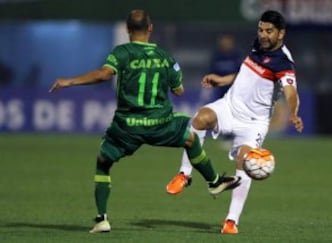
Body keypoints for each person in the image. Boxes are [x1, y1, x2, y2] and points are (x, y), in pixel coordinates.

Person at [49, 9, 240, 233]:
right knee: (190, 135)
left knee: (103, 162)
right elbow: (179, 91)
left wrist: (69, 82)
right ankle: (214, 181)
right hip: (160, 124)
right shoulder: (165, 57)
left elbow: (103, 74)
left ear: (128, 30)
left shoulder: (121, 52)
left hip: (127, 127)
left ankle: (102, 219)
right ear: (150, 29)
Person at [166, 10, 304, 234]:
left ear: (281, 34)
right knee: (200, 118)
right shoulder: (257, 46)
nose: (263, 35)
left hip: (254, 122)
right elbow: (245, 71)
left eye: (269, 31)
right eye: (261, 30)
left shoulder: (283, 63)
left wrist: (294, 113)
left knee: (245, 161)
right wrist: (222, 79)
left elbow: (291, 92)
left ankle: (231, 221)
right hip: (230, 106)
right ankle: (184, 173)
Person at [208, 33, 243, 102]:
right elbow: (211, 72)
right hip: (219, 90)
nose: (225, 44)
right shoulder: (217, 56)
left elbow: (241, 72)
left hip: (234, 89)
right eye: (223, 41)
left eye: (227, 42)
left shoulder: (237, 56)